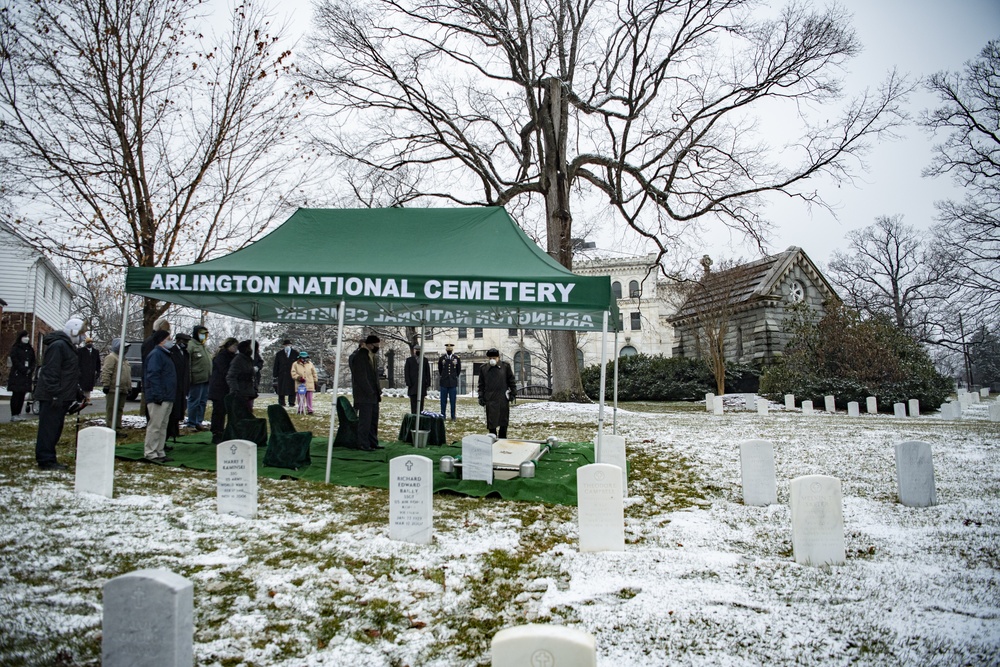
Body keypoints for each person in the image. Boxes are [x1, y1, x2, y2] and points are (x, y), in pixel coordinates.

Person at [33, 318, 86, 470]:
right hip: (52, 397)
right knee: (49, 429)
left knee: (55, 428)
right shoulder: (58, 346)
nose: (83, 336)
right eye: (81, 333)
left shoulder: (67, 347)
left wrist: (76, 392)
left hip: (61, 396)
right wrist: (55, 394)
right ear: (73, 331)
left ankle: (49, 457)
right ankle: (46, 460)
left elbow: (69, 374)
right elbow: (51, 372)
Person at [143, 331, 176, 463]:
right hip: (159, 397)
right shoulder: (156, 355)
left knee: (162, 426)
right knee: (155, 426)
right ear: (162, 340)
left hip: (167, 396)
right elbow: (153, 375)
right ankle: (150, 452)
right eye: (169, 338)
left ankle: (159, 451)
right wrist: (157, 395)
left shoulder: (165, 355)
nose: (171, 340)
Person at [349, 334, 383, 451]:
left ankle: (373, 442)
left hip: (372, 395)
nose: (377, 347)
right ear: (369, 344)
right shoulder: (360, 356)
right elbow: (361, 377)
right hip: (365, 395)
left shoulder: (371, 356)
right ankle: (363, 443)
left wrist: (377, 391)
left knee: (373, 420)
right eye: (376, 345)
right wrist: (369, 391)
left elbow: (374, 376)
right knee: (365, 421)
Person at [478, 348, 516, 439]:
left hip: (502, 398)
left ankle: (503, 440)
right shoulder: (483, 368)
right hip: (490, 399)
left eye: (494, 358)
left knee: (503, 421)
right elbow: (481, 384)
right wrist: (481, 396)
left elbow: (511, 381)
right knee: (492, 422)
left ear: (498, 357)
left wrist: (513, 394)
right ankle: (493, 439)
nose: (492, 360)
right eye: (490, 358)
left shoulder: (505, 367)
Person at [208, 337, 238, 444]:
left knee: (223, 411)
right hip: (218, 387)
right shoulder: (221, 356)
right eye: (233, 346)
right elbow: (224, 371)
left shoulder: (232, 356)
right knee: (218, 411)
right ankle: (216, 432)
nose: (235, 348)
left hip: (225, 388)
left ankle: (221, 430)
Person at [99, 338, 131, 434]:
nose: (126, 350)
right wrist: (106, 384)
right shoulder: (111, 357)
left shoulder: (124, 359)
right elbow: (106, 371)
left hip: (123, 388)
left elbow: (127, 375)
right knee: (111, 408)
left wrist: (129, 387)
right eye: (124, 347)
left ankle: (117, 427)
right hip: (113, 388)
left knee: (119, 409)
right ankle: (110, 428)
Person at [167, 332, 192, 441]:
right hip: (174, 385)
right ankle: (171, 431)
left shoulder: (185, 353)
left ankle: (176, 430)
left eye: (187, 342)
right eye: (184, 341)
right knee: (173, 410)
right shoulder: (171, 351)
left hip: (182, 385)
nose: (186, 344)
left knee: (180, 409)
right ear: (178, 340)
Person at [185, 325, 211, 430]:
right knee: (194, 401)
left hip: (205, 378)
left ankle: (199, 422)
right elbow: (188, 364)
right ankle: (191, 422)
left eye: (205, 334)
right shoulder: (191, 345)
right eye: (202, 333)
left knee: (202, 402)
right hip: (196, 379)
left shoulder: (202, 346)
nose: (204, 336)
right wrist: (189, 379)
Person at [7, 330, 36, 422]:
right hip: (17, 375)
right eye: (25, 336)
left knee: (22, 395)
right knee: (16, 395)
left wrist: (30, 369)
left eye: (28, 336)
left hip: (26, 376)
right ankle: (14, 414)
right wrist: (23, 369)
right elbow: (15, 360)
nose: (27, 338)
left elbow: (33, 361)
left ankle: (18, 413)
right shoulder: (16, 348)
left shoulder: (30, 349)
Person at [227, 339, 258, 412]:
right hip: (241, 392)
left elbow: (251, 375)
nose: (250, 349)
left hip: (248, 392)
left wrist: (255, 388)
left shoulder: (248, 360)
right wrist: (235, 390)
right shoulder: (238, 360)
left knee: (249, 412)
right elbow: (231, 376)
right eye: (249, 347)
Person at [404, 346, 431, 415]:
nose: (417, 351)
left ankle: (420, 416)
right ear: (414, 351)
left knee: (421, 404)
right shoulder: (409, 360)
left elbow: (427, 372)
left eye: (419, 350)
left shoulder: (424, 360)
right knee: (413, 404)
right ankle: (414, 416)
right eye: (416, 350)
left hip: (422, 385)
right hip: (412, 385)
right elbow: (406, 372)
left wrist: (428, 383)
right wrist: (408, 383)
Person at [290, 351, 319, 415]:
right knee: (300, 398)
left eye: (305, 358)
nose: (304, 359)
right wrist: (299, 378)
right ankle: (301, 409)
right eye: (303, 358)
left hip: (309, 384)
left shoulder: (310, 364)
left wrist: (315, 381)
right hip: (300, 384)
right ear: (299, 358)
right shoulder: (295, 364)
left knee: (309, 398)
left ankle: (310, 410)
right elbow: (293, 373)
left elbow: (314, 373)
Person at [438, 342, 461, 420]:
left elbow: (458, 370)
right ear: (446, 350)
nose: (449, 350)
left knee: (453, 401)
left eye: (450, 349)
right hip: (444, 382)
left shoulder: (456, 358)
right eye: (448, 349)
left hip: (452, 383)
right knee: (443, 401)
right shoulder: (442, 358)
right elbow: (440, 370)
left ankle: (453, 416)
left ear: (452, 350)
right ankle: (443, 415)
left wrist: (454, 377)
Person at [272, 338, 299, 407]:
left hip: (292, 374)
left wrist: (298, 374)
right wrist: (275, 374)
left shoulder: (295, 353)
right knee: (281, 389)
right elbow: (276, 364)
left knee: (292, 389)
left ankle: (291, 402)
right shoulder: (279, 354)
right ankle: (281, 402)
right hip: (282, 374)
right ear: (283, 346)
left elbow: (297, 364)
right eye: (286, 345)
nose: (287, 346)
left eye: (288, 345)